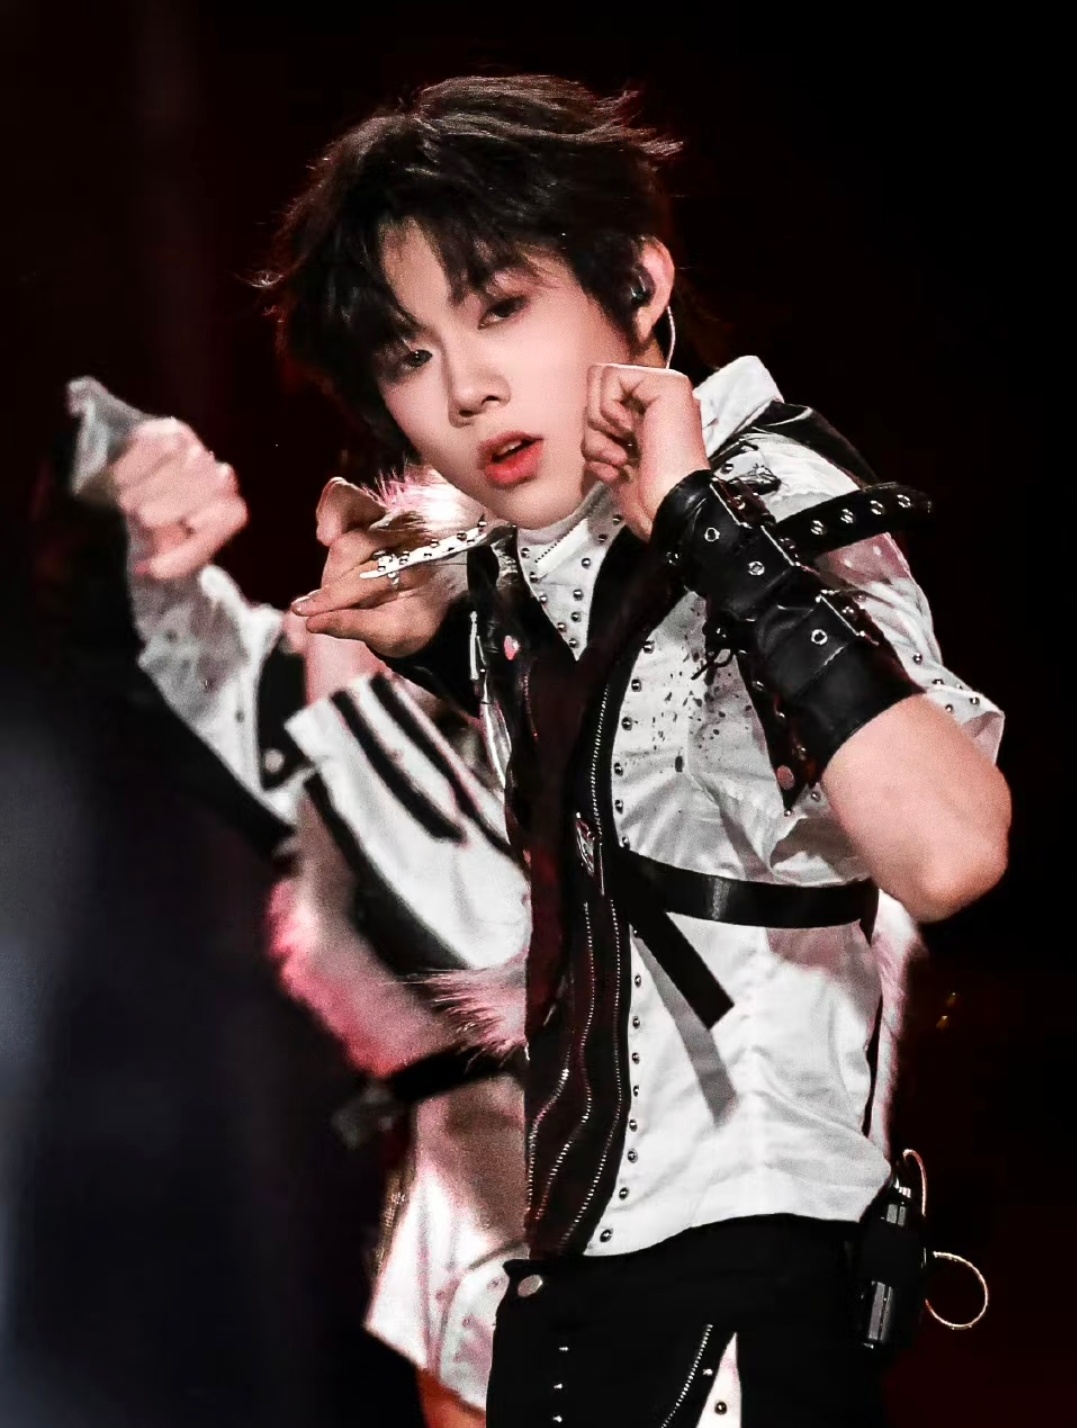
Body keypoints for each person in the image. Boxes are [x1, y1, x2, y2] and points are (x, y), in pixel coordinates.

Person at [271, 72, 1009, 1425]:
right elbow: (642, 784)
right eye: (408, 356)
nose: (468, 388)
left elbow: (953, 849)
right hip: (589, 1284)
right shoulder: (545, 569)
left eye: (502, 307)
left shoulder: (766, 500)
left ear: (638, 283)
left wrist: (701, 520)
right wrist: (443, 635)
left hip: (746, 1285)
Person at [34, 377, 532, 1428]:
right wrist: (117, 487)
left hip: (767, 1226)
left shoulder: (728, 595)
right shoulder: (328, 701)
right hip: (496, 1229)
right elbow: (132, 618)